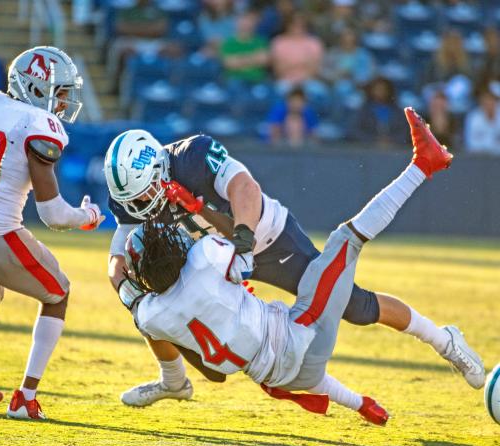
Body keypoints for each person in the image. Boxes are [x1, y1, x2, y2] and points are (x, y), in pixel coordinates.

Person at [120, 109, 484, 425]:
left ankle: (444, 340)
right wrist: (128, 285)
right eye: (131, 200)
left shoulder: (193, 156)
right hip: (216, 265)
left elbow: (246, 190)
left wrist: (238, 243)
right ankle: (172, 381)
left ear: (160, 168)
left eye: (144, 193)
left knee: (355, 307)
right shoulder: (153, 219)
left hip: (264, 239)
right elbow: (118, 259)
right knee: (163, 315)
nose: (141, 204)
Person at [0, 46, 104, 420]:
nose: (62, 103)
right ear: (37, 88)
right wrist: (87, 215)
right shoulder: (37, 126)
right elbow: (53, 214)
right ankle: (26, 398)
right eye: (59, 93)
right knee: (58, 293)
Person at [270, 12, 324, 86]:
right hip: (285, 80)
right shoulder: (278, 42)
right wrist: (303, 63)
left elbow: (315, 70)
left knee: (317, 90)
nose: (298, 27)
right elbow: (278, 70)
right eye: (294, 24)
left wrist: (290, 64)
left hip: (308, 80)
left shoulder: (314, 42)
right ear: (287, 25)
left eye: (301, 24)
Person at [219, 9, 269, 84]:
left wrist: (239, 59)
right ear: (236, 22)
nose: (246, 23)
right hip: (235, 80)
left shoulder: (261, 42)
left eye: (249, 20)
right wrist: (254, 58)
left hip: (257, 80)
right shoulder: (227, 43)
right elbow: (229, 64)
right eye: (243, 20)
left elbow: (264, 60)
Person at [464, 83, 500, 156]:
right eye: (487, 99)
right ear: (482, 100)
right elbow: (470, 143)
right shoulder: (473, 117)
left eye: (493, 99)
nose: (489, 102)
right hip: (479, 159)